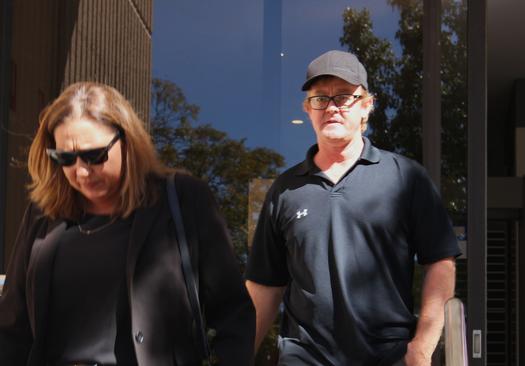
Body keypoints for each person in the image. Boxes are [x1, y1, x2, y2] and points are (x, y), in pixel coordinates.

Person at [0, 82, 255, 365]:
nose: (82, 171)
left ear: (127, 140)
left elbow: (233, 313)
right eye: (66, 158)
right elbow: (13, 327)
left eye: (94, 155)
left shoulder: (183, 199)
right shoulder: (43, 214)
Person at [245, 50, 460, 366]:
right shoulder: (286, 189)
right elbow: (265, 285)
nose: (331, 107)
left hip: (386, 357)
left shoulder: (406, 177)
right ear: (308, 109)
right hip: (304, 358)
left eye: (344, 97)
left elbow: (440, 262)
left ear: (366, 107)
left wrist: (422, 347)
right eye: (320, 98)